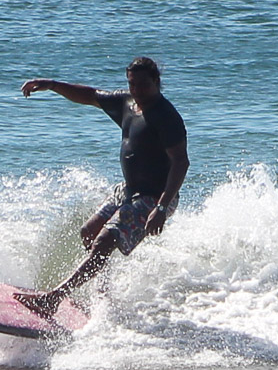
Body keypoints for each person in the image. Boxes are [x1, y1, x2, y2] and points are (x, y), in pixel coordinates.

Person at [13, 57, 189, 317]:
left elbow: (181, 163)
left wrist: (162, 208)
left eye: (143, 85)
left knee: (105, 241)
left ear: (156, 81)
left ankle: (52, 300)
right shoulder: (128, 104)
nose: (137, 90)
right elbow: (91, 95)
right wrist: (52, 85)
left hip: (155, 197)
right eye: (132, 84)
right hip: (129, 189)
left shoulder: (166, 116)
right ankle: (103, 294)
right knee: (89, 232)